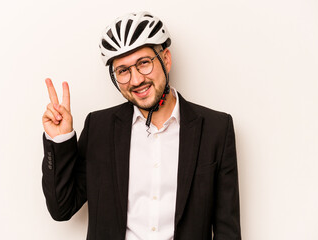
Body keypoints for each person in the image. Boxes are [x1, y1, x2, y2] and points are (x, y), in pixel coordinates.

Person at [42, 11, 242, 240]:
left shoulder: (216, 129)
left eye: (144, 63)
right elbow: (61, 209)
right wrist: (60, 141)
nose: (136, 80)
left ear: (165, 59)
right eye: (123, 70)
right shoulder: (99, 128)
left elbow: (228, 230)